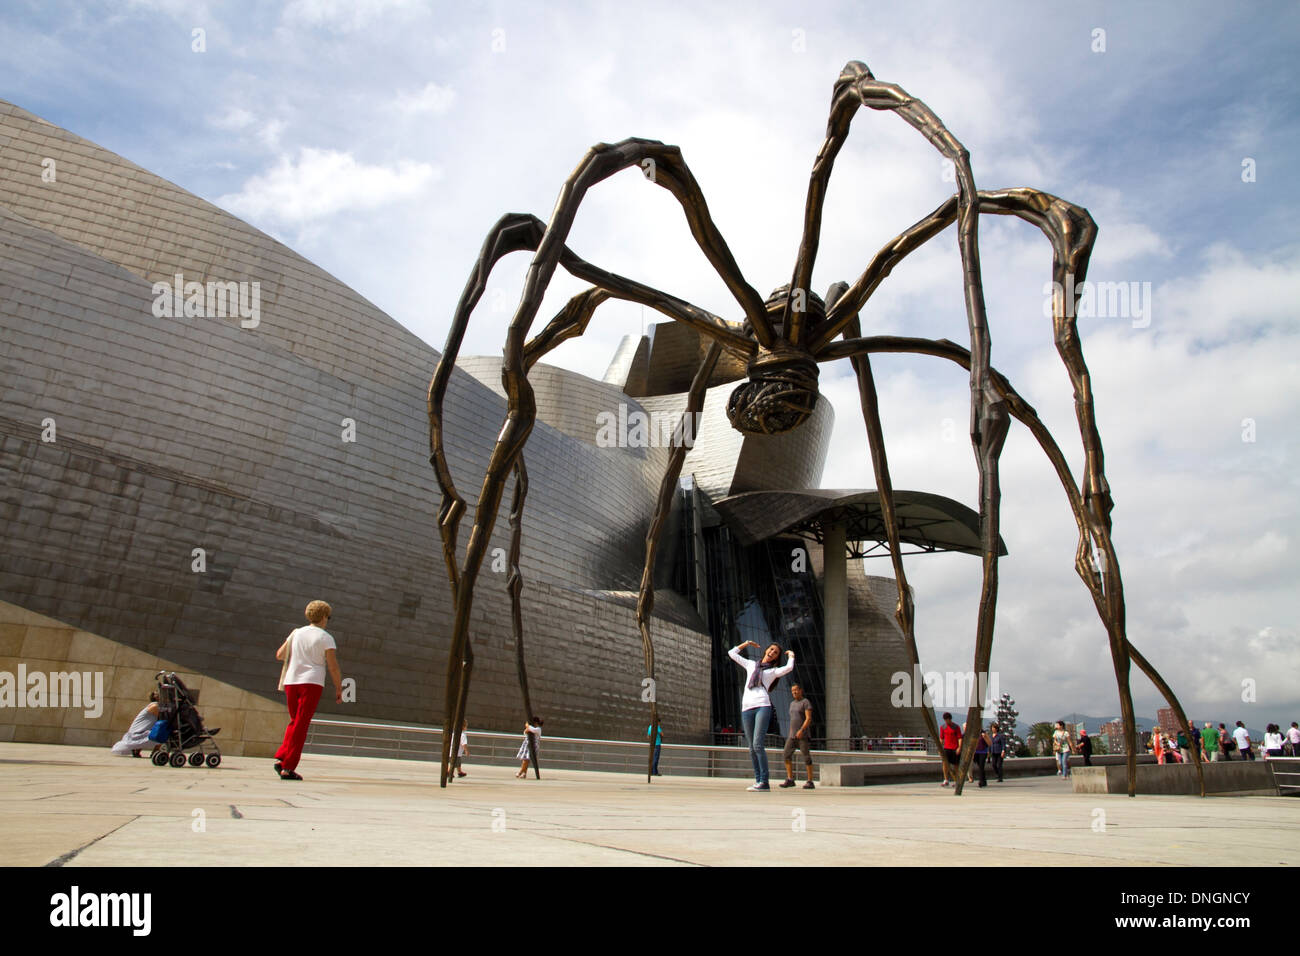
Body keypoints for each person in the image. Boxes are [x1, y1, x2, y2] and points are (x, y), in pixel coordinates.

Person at [273, 600, 343, 781]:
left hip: (291, 681)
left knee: (295, 721)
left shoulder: (296, 633)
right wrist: (338, 687)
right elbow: (333, 667)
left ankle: (282, 756)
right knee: (302, 725)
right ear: (325, 617)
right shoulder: (325, 637)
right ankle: (288, 767)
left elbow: (280, 655)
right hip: (311, 683)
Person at [728, 640, 795, 791]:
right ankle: (758, 780)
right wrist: (745, 644)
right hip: (747, 707)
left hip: (762, 706)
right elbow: (731, 654)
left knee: (758, 745)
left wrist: (791, 655)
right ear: (766, 650)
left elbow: (789, 668)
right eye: (771, 649)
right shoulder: (751, 664)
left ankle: (764, 781)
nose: (772, 652)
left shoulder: (773, 671)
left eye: (775, 652)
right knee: (751, 747)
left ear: (776, 657)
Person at [780, 683, 814, 789]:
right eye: (792, 691)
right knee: (786, 754)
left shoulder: (805, 702)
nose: (794, 692)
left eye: (796, 690)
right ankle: (790, 779)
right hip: (792, 735)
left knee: (806, 757)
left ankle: (810, 781)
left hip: (802, 735)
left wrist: (801, 730)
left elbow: (808, 718)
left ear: (800, 690)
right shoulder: (792, 704)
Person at [110, 691, 160, 757]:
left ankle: (137, 749)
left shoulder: (152, 706)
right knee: (162, 733)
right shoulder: (155, 706)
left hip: (137, 733)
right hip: (137, 734)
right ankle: (155, 753)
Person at [939, 712, 962, 787]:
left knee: (956, 765)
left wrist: (959, 747)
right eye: (945, 720)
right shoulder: (943, 727)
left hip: (954, 748)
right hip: (946, 748)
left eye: (947, 720)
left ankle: (956, 780)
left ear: (950, 719)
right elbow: (941, 739)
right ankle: (946, 780)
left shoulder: (956, 727)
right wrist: (940, 748)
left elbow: (959, 738)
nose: (946, 721)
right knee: (945, 764)